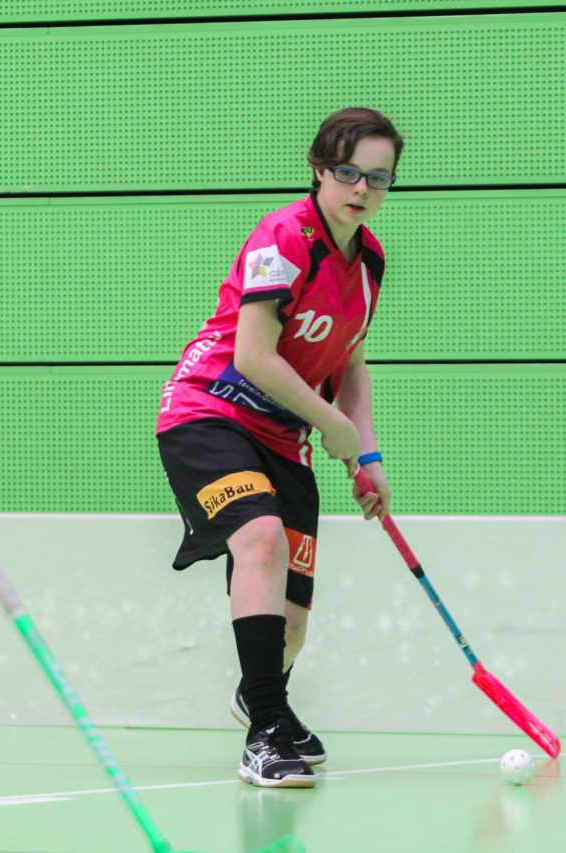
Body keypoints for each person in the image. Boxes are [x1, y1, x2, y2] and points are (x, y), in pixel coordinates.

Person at [156, 108, 401, 788]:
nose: (361, 188)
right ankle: (264, 729)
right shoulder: (285, 236)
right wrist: (332, 425)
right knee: (258, 536)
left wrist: (368, 455)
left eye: (378, 178)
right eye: (349, 172)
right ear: (321, 168)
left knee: (292, 624)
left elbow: (350, 363)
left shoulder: (371, 261)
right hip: (208, 412)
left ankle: (263, 696)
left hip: (282, 436)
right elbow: (254, 356)